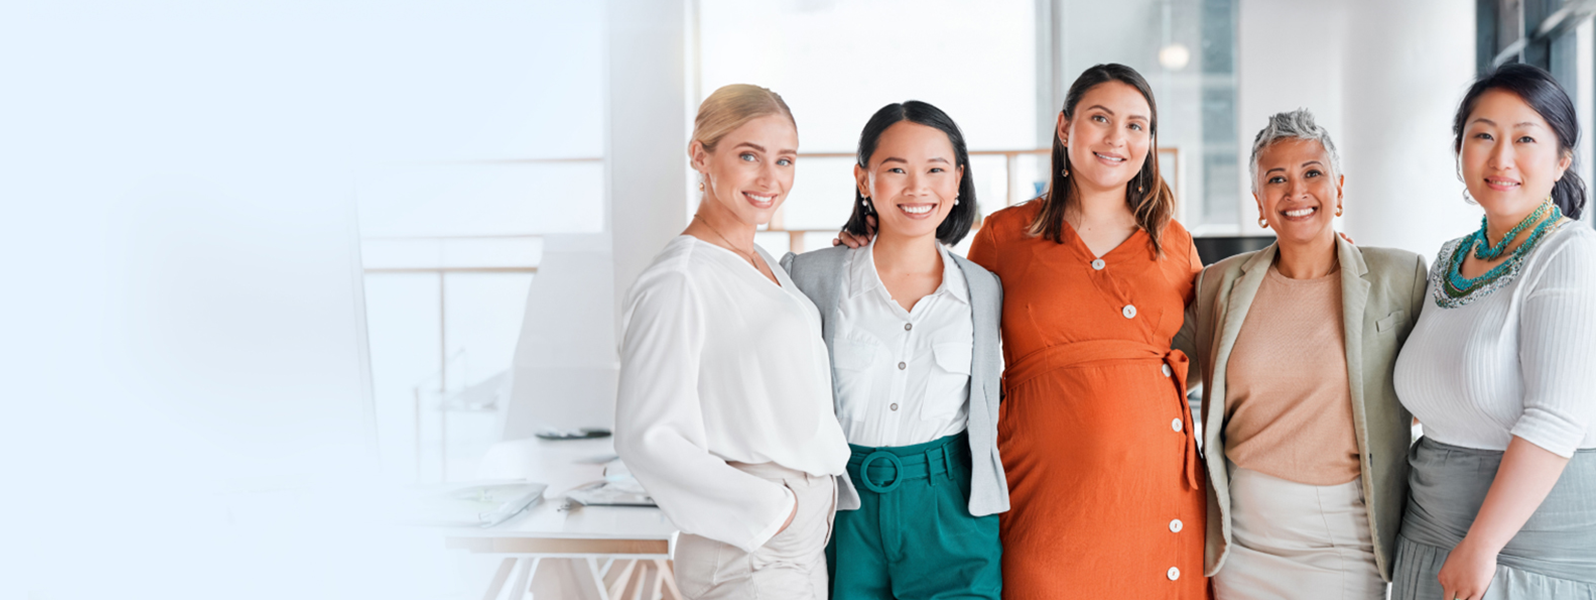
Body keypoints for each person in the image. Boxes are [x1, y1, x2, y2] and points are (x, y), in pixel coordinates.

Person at [840, 63, 1207, 598]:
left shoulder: (1175, 243)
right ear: (1065, 128)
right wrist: (867, 257)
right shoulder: (1005, 236)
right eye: (1100, 118)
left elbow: (1200, 356)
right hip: (1041, 492)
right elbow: (940, 311)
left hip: (1155, 492)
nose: (1117, 138)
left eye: (1136, 125)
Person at [1172, 109, 1427, 599]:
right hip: (1241, 538)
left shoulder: (1402, 276)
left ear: (1339, 187)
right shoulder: (1218, 285)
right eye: (1277, 179)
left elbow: (1438, 382)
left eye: (1313, 173)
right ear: (1259, 203)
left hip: (1345, 539)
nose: (1296, 192)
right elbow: (1159, 378)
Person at [614, 83, 851, 600]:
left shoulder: (763, 263)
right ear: (701, 156)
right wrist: (772, 510)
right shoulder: (679, 279)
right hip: (753, 546)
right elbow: (646, 436)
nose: (771, 178)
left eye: (785, 160)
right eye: (749, 156)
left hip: (799, 538)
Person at [782, 101, 1006, 599]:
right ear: (864, 179)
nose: (917, 187)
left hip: (950, 508)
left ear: (957, 181)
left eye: (935, 169)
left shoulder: (985, 289)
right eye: (895, 169)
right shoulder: (807, 276)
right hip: (841, 504)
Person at [1391, 63, 1596, 600]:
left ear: (1562, 161)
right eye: (1482, 135)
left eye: (1525, 138)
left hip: (1515, 548)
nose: (1500, 158)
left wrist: (1482, 545)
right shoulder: (1451, 257)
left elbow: (1557, 419)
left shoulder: (1569, 252)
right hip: (1427, 533)